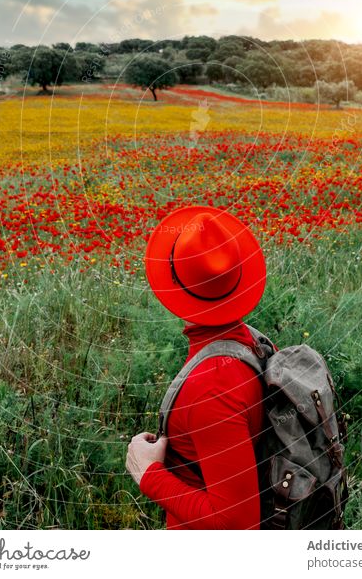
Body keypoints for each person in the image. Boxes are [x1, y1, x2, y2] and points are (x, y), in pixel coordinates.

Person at [125, 205, 270, 530]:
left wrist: (149, 475)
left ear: (173, 279)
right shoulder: (250, 343)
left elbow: (238, 524)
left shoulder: (212, 387)